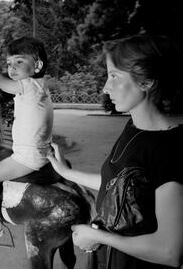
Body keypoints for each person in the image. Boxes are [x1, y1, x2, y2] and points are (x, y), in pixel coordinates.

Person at [46, 33, 183, 269]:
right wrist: (67, 173)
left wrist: (98, 236)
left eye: (114, 76)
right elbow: (120, 188)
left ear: (147, 81)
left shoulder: (168, 148)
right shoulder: (133, 127)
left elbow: (168, 251)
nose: (106, 87)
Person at [0, 36, 54, 242]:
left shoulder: (28, 86)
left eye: (19, 62)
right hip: (39, 150)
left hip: (28, 156)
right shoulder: (40, 86)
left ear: (37, 65)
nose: (12, 68)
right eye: (9, 63)